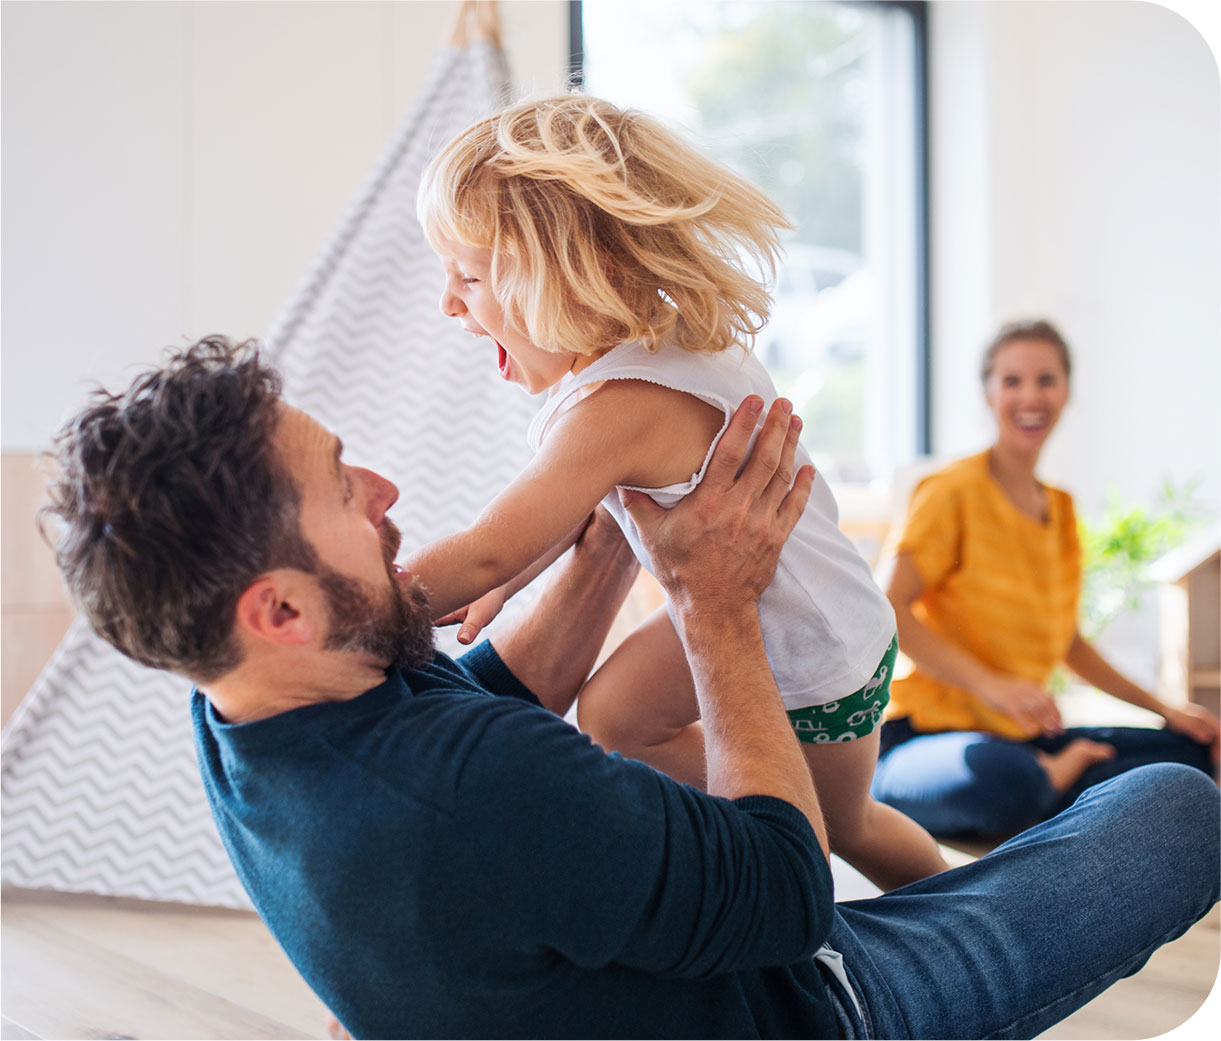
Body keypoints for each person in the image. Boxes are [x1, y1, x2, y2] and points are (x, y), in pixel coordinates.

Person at [42, 337, 1220, 1040]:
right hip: (815, 1006)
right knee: (1177, 807)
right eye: (346, 489)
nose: (388, 492)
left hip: (654, 975)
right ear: (281, 611)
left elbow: (487, 692)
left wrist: (612, 527)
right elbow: (786, 891)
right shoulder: (469, 799)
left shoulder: (241, 712)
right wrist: (711, 605)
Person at [406, 93, 946, 891]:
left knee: (847, 827)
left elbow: (494, 541)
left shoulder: (620, 405)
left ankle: (949, 904)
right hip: (782, 612)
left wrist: (370, 606)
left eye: (470, 276)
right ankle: (750, 821)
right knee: (615, 717)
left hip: (813, 651)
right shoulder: (653, 346)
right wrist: (506, 584)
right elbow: (558, 515)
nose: (449, 302)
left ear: (580, 273)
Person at [871, 318, 1219, 838]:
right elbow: (886, 608)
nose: (1030, 396)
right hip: (924, 739)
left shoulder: (1060, 509)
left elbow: (1070, 644)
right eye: (1011, 381)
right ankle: (1059, 778)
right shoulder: (949, 493)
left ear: (1066, 392)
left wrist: (1166, 709)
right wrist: (991, 686)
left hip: (1021, 738)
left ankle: (1059, 776)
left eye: (1046, 380)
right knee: (1000, 782)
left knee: (1190, 754)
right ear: (988, 393)